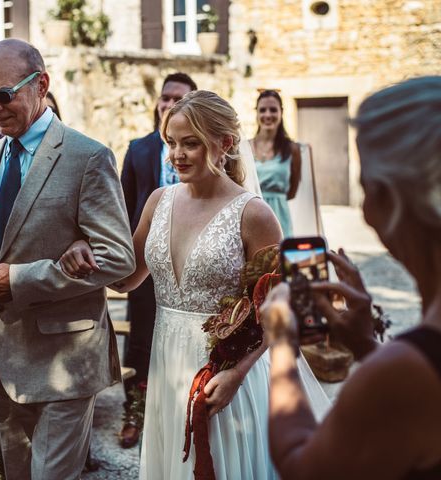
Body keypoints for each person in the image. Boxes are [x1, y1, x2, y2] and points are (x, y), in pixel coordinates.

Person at [61, 90, 330, 479]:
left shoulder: (254, 214)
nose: (177, 154)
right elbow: (125, 278)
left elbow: (278, 310)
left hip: (226, 371)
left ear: (225, 144)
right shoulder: (158, 201)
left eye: (191, 143)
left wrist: (237, 375)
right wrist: (82, 247)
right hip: (168, 360)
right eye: (171, 143)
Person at [0, 39, 135, 480]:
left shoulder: (87, 157)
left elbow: (118, 258)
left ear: (41, 84)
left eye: (4, 94)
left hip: (67, 362)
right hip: (1, 366)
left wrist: (25, 278)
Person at [262, 76, 441, 479]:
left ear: (389, 200)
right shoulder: (408, 370)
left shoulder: (403, 372)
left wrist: (282, 345)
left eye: (366, 188)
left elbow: (300, 466)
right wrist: (365, 346)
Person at [118, 72, 197, 448]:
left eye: (178, 98)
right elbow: (122, 209)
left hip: (195, 266)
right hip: (146, 263)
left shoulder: (206, 156)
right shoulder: (139, 150)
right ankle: (134, 411)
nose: (168, 104)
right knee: (139, 342)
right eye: (165, 98)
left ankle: (183, 408)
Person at [249, 89, 301, 237]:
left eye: (273, 110)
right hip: (251, 218)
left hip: (280, 218)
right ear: (257, 113)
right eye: (262, 110)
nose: (267, 115)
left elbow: (292, 190)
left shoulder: (292, 149)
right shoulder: (244, 149)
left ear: (281, 112)